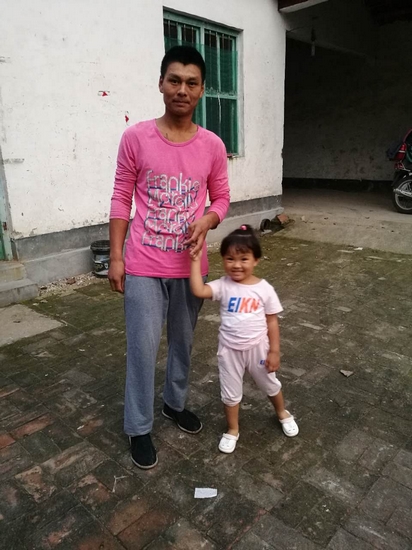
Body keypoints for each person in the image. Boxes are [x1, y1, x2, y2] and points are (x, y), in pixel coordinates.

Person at [108, 45, 230, 469]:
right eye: (174, 80)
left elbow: (222, 197)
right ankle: (138, 426)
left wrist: (209, 219)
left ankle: (174, 404)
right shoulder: (136, 138)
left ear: (201, 90)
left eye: (191, 83)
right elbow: (121, 197)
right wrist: (117, 257)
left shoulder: (212, 145)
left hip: (190, 268)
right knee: (142, 348)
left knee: (183, 342)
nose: (182, 89)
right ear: (161, 83)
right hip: (142, 263)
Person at [190, 224, 298, 454]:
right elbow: (199, 291)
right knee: (230, 393)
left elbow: (272, 321)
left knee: (269, 384)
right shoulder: (222, 285)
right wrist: (195, 261)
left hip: (258, 348)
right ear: (223, 259)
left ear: (255, 260)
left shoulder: (264, 289)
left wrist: (274, 351)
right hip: (229, 351)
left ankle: (282, 412)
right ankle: (232, 429)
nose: (236, 265)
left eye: (244, 259)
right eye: (230, 258)